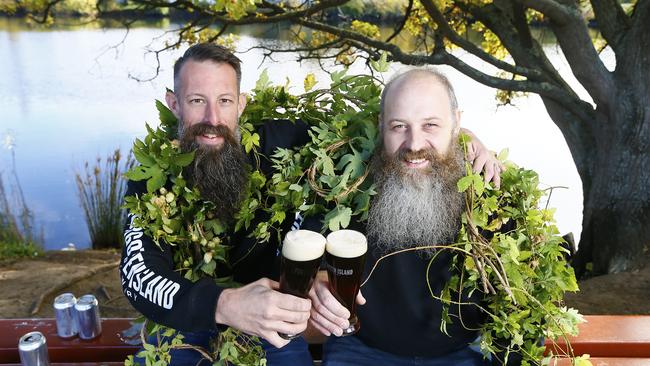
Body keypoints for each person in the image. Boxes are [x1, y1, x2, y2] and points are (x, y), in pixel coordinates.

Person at [120, 43, 502, 365]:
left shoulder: (287, 145)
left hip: (274, 330)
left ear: (242, 103)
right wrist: (224, 305)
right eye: (196, 101)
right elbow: (137, 274)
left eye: (224, 101)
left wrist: (459, 136)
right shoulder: (154, 180)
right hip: (183, 326)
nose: (212, 119)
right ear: (173, 104)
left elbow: (388, 129)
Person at [309, 68, 510, 365]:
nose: (414, 144)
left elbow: (519, 307)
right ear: (380, 125)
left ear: (456, 123)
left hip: (460, 355)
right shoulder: (343, 182)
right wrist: (314, 284)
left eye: (430, 125)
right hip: (361, 351)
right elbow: (302, 257)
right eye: (399, 126)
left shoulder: (489, 193)